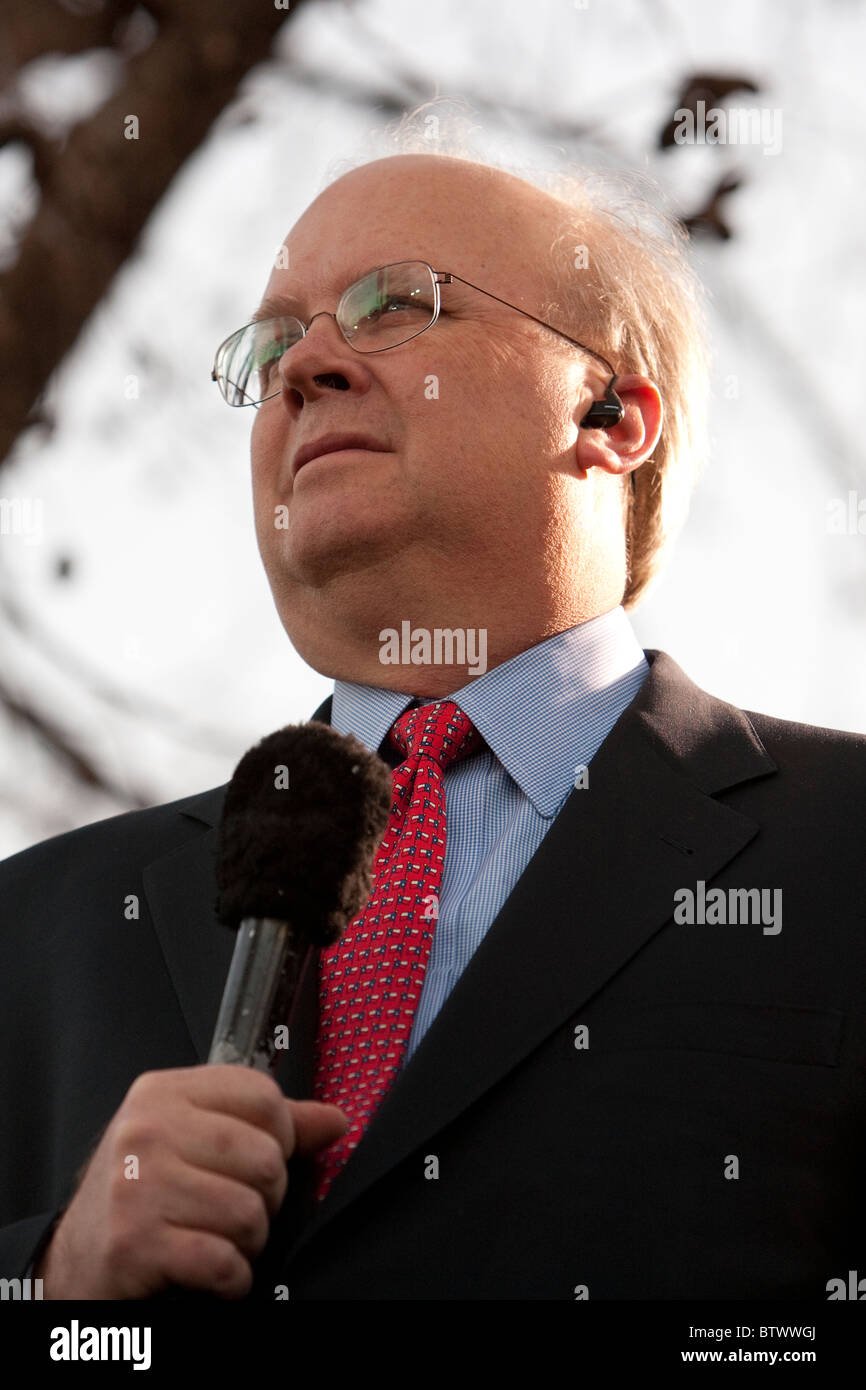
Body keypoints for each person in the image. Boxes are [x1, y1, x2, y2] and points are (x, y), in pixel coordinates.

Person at [1, 146, 863, 1302]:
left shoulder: (841, 846)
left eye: (393, 305)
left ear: (610, 415)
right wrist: (55, 1281)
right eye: (270, 347)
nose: (304, 363)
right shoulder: (34, 928)